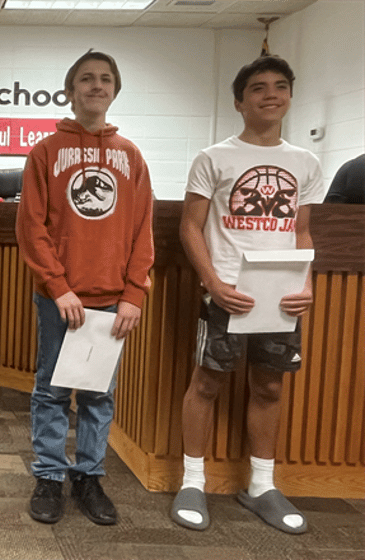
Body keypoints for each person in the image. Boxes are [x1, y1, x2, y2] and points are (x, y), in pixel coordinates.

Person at [171, 55, 325, 534]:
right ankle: (191, 481)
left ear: (290, 97)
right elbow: (190, 226)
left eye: (280, 86)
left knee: (270, 386)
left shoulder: (305, 162)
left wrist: (307, 282)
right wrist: (212, 281)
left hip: (281, 298)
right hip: (227, 291)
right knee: (207, 383)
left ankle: (261, 485)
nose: (270, 94)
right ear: (239, 102)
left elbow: (301, 231)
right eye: (258, 88)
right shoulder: (214, 157)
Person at [16, 50, 154, 526]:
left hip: (111, 300)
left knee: (98, 395)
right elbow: (31, 228)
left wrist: (134, 294)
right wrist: (58, 286)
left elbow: (142, 231)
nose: (97, 86)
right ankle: (50, 475)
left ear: (115, 90)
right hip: (60, 299)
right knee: (52, 391)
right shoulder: (45, 152)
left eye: (105, 79)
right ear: (69, 91)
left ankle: (89, 475)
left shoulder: (130, 156)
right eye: (87, 79)